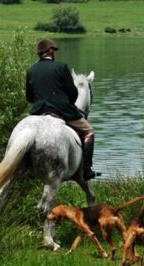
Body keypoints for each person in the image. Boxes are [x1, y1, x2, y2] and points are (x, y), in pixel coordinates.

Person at [26, 38, 98, 180]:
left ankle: (28, 167)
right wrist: (67, 104)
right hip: (61, 111)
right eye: (54, 51)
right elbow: (73, 93)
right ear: (50, 51)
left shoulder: (31, 71)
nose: (55, 54)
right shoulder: (61, 67)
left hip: (38, 112)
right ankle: (86, 169)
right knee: (89, 131)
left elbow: (29, 97)